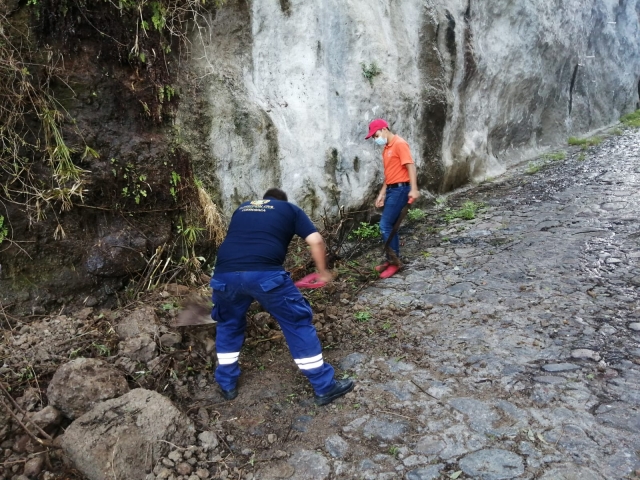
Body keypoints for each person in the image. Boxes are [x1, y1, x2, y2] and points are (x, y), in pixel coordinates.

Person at [209, 188, 354, 405]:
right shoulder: (289, 209)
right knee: (297, 323)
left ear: (264, 199)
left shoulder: (242, 208)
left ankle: (227, 384)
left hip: (224, 275)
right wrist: (323, 272)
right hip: (265, 275)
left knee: (228, 324)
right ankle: (324, 387)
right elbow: (316, 241)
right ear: (282, 201)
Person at [365, 119, 420, 278]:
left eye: (375, 135)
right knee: (390, 225)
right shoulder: (386, 148)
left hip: (401, 190)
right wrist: (382, 193)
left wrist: (414, 189)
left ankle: (395, 262)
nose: (375, 139)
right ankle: (390, 260)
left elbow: (410, 166)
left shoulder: (399, 143)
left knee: (385, 225)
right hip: (391, 189)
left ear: (383, 129)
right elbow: (389, 174)